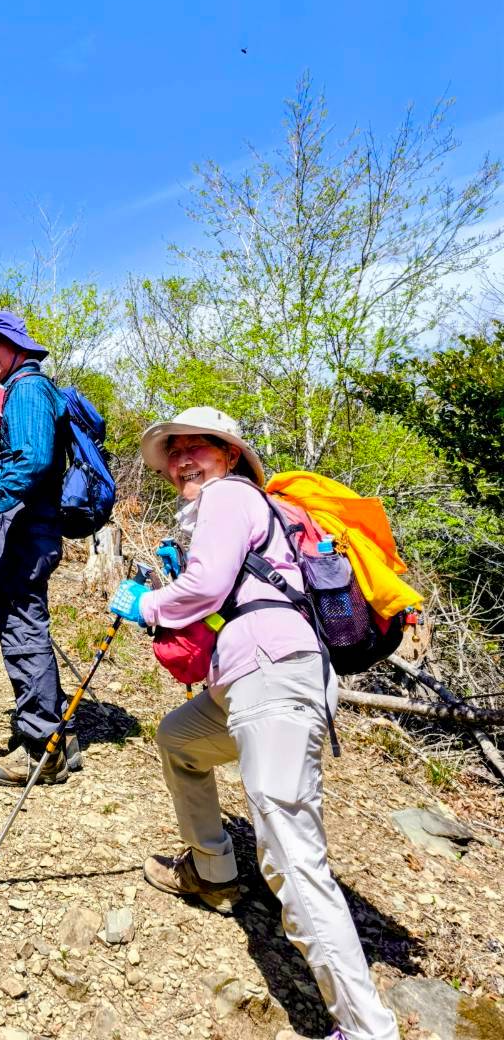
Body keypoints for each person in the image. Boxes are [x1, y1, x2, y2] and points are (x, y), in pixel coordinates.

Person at [109, 407, 399, 1040]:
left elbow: (207, 588)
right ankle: (212, 872)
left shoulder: (228, 496)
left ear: (231, 455)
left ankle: (367, 1029)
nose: (184, 459)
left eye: (199, 448)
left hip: (272, 675)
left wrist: (149, 602)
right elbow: (226, 600)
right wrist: (180, 586)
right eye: (175, 452)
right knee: (180, 739)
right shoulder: (236, 508)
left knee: (291, 857)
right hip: (249, 679)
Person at [0, 311, 76, 786]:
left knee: (22, 628)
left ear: (18, 347)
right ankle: (56, 736)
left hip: (23, 526)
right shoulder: (20, 389)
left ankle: (42, 750)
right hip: (21, 524)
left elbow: (34, 460)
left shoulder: (27, 389)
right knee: (25, 623)